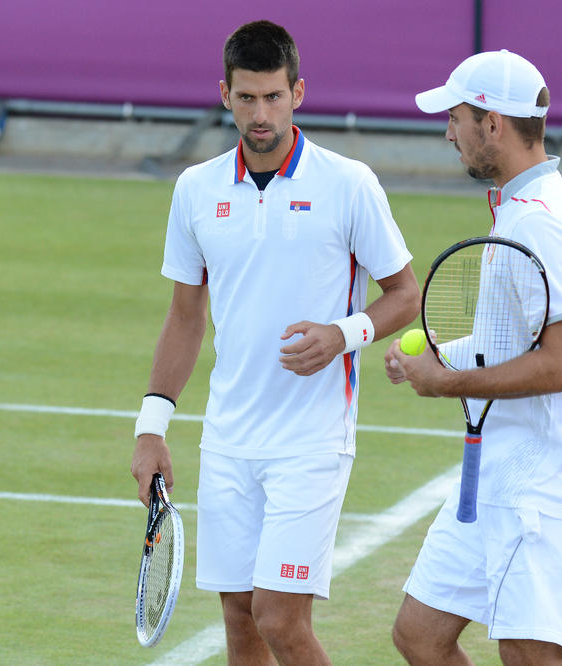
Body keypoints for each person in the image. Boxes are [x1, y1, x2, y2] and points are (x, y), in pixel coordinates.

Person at [130, 20, 420, 665]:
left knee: (280, 619)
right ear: (225, 96)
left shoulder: (349, 184)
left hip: (311, 441)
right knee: (241, 619)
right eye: (246, 98)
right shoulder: (195, 189)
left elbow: (407, 293)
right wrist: (151, 429)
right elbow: (185, 316)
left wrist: (342, 334)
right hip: (228, 439)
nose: (260, 114)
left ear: (298, 94)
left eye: (272, 97)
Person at [385, 50, 562, 665]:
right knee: (420, 635)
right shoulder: (521, 208)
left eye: (456, 118)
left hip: (548, 487)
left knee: (528, 657)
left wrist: (447, 381)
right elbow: (514, 339)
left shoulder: (540, 221)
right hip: (498, 477)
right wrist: (437, 356)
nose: (448, 133)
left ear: (491, 124)